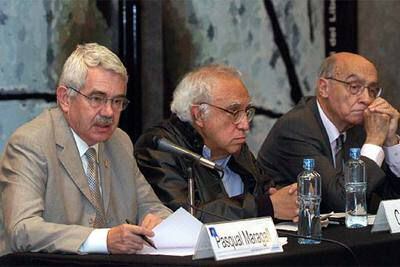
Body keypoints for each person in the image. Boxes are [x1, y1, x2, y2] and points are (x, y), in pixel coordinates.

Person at [0, 43, 171, 256]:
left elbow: (154, 208)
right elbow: (22, 229)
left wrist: (160, 222)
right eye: (97, 99)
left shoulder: (119, 141)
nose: (109, 112)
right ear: (65, 98)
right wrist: (103, 240)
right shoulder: (30, 143)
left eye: (117, 101)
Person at [134, 64, 298, 223]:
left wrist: (287, 201)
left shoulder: (235, 148)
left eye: (246, 112)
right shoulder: (160, 147)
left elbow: (268, 194)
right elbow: (184, 220)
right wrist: (264, 208)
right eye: (234, 112)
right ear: (198, 115)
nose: (245, 125)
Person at [257, 52, 400, 213]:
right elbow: (341, 201)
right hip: (297, 234)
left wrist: (391, 142)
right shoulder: (296, 127)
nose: (367, 99)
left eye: (372, 90)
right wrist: (374, 140)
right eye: (354, 87)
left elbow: (392, 198)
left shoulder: (358, 128)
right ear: (324, 88)